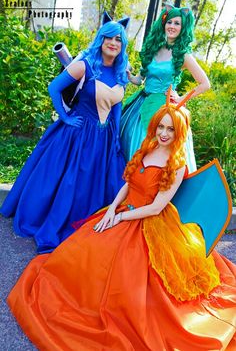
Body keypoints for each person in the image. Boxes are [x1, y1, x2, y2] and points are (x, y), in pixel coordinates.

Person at [7, 93, 236, 350]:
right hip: (123, 209)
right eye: (160, 126)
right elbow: (128, 184)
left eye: (170, 129)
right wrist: (111, 209)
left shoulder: (177, 165)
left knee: (129, 280)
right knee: (83, 252)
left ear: (179, 132)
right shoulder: (146, 149)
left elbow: (156, 207)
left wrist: (121, 217)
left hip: (150, 222)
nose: (163, 133)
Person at [0, 18, 130, 253]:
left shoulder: (121, 74)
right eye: (109, 37)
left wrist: (116, 137)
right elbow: (54, 87)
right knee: (69, 181)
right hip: (77, 135)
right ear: (101, 40)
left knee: (93, 184)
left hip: (103, 138)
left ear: (123, 45)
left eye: (118, 39)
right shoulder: (86, 65)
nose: (113, 42)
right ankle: (59, 220)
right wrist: (65, 117)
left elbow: (116, 108)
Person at [120, 3, 210, 173]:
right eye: (169, 22)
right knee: (128, 140)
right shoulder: (153, 48)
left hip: (164, 108)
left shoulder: (183, 54)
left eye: (177, 23)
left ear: (183, 28)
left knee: (157, 148)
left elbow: (205, 83)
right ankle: (130, 185)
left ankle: (153, 189)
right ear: (163, 24)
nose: (172, 26)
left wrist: (182, 99)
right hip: (141, 103)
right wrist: (130, 76)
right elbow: (140, 80)